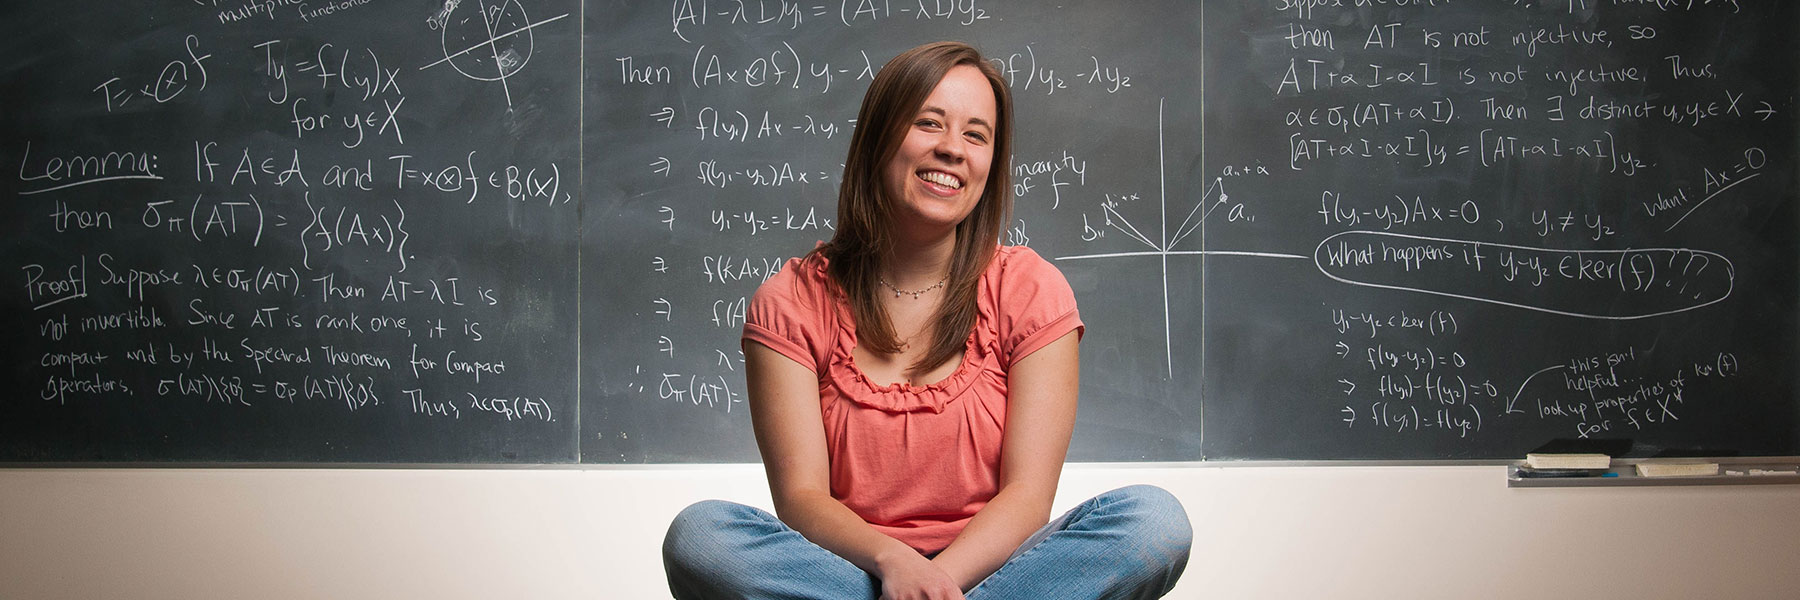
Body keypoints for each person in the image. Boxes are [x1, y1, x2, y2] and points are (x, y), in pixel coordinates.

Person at [663, 41, 1191, 600]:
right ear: (879, 137)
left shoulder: (1029, 288)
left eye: (976, 135)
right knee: (701, 537)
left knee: (1153, 522)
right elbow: (801, 498)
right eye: (928, 123)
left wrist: (939, 585)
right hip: (854, 573)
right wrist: (896, 566)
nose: (952, 150)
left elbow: (1029, 497)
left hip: (1000, 573)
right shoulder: (791, 301)